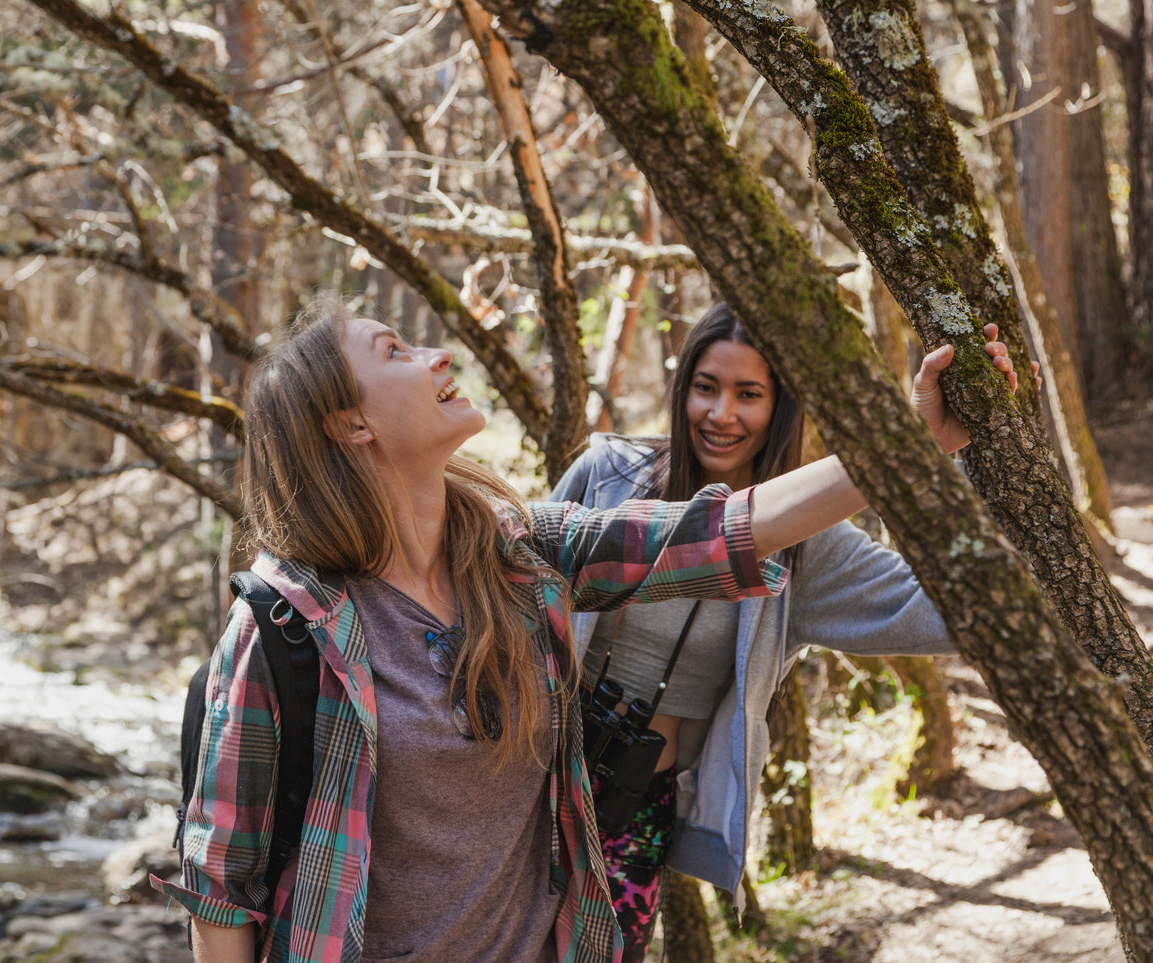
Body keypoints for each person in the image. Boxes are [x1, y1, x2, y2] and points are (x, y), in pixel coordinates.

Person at [154, 297, 1017, 963]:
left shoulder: (521, 554)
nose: (438, 354)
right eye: (395, 352)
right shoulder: (280, 627)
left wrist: (913, 440)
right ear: (352, 424)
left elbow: (717, 532)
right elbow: (223, 887)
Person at [551, 303, 1025, 962]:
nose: (721, 414)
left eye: (749, 394)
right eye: (705, 386)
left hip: (631, 814)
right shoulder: (608, 473)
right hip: (527, 777)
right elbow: (512, 592)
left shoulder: (808, 542)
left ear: (781, 409)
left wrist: (963, 454)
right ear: (680, 386)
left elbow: (950, 612)